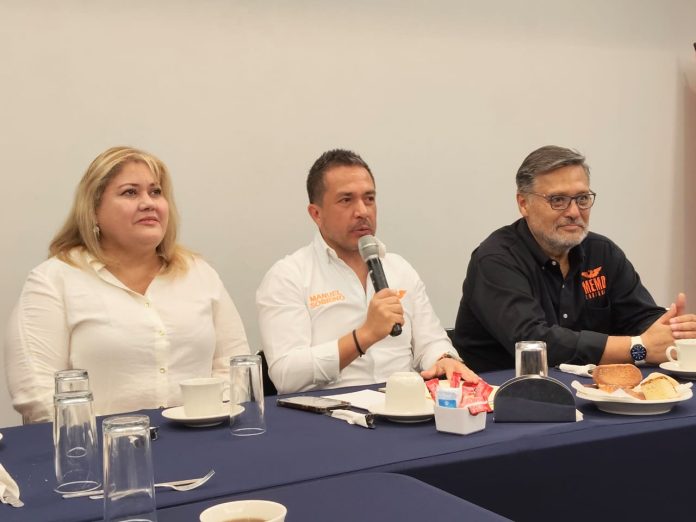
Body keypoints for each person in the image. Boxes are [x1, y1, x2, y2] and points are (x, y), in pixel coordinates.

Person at [5, 146, 250, 423]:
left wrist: (212, 419)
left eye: (155, 192)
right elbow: (37, 394)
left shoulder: (199, 274)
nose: (148, 203)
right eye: (130, 193)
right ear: (93, 210)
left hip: (203, 436)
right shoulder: (53, 280)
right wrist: (99, 438)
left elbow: (235, 369)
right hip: (99, 444)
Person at [452, 145, 696, 372]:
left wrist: (674, 331)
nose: (574, 212)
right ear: (524, 203)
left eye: (582, 199)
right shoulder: (496, 259)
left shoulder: (603, 252)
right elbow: (534, 342)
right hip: (505, 395)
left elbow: (640, 319)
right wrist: (637, 347)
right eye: (557, 200)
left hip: (594, 391)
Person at [256, 149, 477, 394]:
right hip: (329, 410)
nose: (362, 211)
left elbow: (431, 341)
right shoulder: (288, 277)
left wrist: (444, 358)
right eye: (346, 200)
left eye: (369, 198)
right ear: (316, 214)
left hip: (403, 405)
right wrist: (364, 336)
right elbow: (286, 376)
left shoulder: (399, 268)